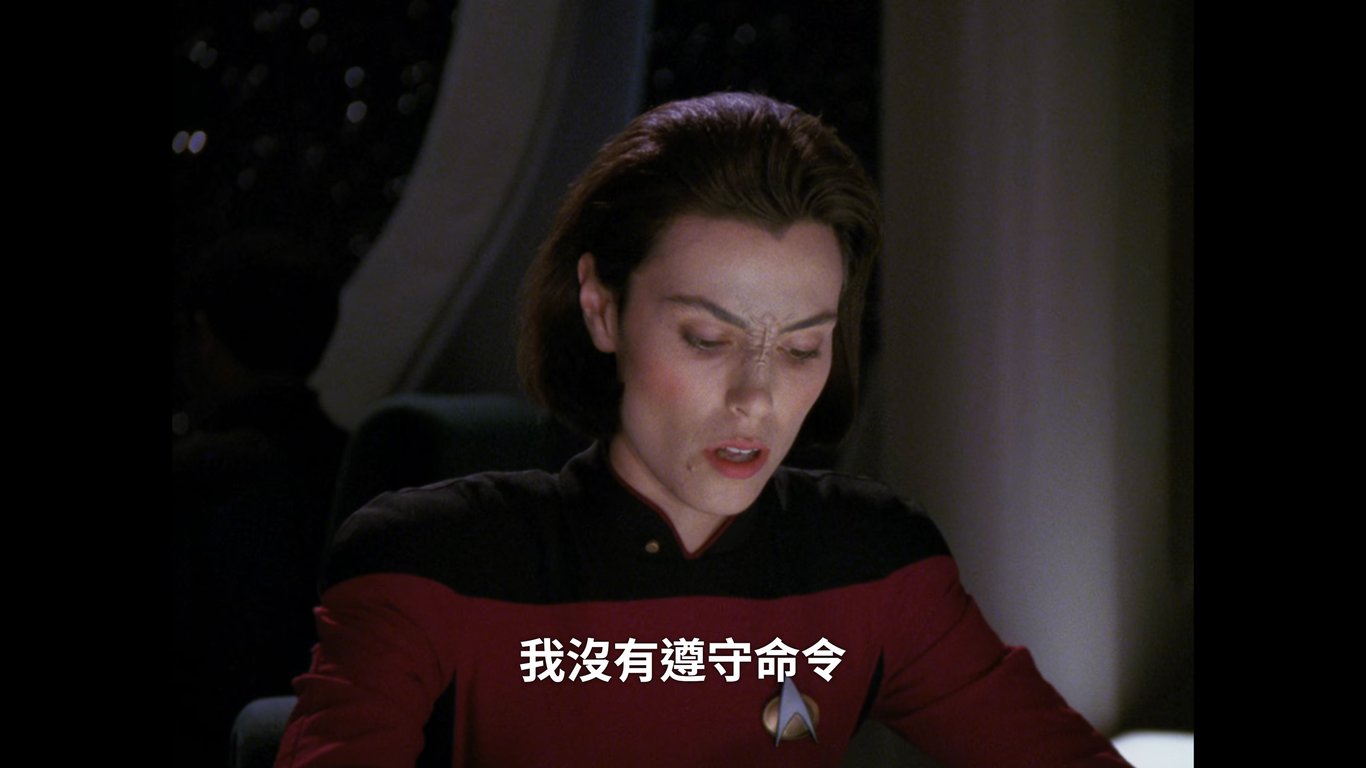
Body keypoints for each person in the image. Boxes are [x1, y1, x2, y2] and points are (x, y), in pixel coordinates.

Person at [275, 93, 1130, 767]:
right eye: (707, 339)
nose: (756, 398)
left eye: (801, 348)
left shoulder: (874, 566)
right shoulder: (435, 563)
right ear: (601, 307)